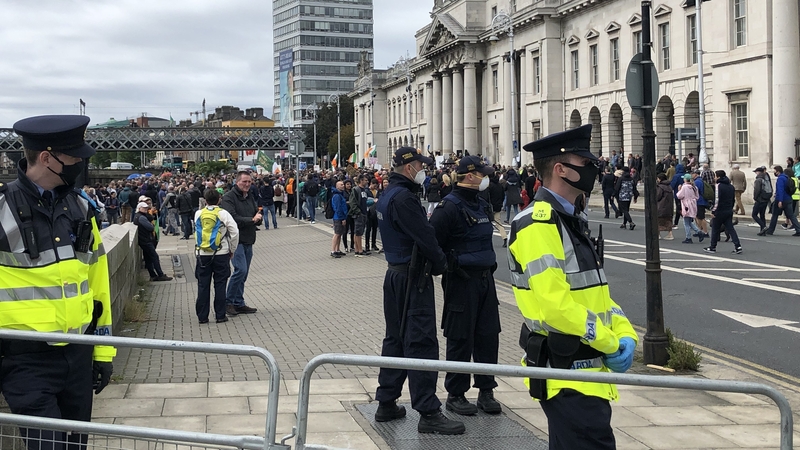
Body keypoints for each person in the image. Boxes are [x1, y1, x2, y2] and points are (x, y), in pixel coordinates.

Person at [510, 124, 638, 450]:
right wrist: (610, 342)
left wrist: (625, 333)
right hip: (567, 374)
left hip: (585, 374)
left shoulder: (570, 218)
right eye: (585, 164)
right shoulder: (537, 224)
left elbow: (596, 295)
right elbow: (555, 306)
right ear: (560, 169)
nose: (594, 170)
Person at [0, 115, 116, 450]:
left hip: (79, 357)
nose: (80, 163)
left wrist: (104, 352)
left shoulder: (81, 207)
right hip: (25, 361)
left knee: (76, 446)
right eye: (74, 157)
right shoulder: (3, 209)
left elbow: (98, 284)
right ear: (47, 158)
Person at [374, 147, 464, 435]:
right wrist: (441, 264)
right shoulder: (405, 199)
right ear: (409, 167)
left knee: (396, 340)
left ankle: (387, 402)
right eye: (420, 165)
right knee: (421, 341)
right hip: (414, 278)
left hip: (395, 275)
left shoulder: (387, 194)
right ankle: (428, 411)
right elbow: (426, 238)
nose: (424, 169)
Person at [429, 156, 502, 417]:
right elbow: (432, 242)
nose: (486, 178)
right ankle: (456, 394)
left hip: (485, 279)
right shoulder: (448, 207)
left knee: (488, 335)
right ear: (469, 176)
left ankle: (486, 390)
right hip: (461, 281)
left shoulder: (481, 204)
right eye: (482, 174)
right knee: (460, 337)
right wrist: (449, 265)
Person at [195, 189, 239, 324]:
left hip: (203, 253)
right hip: (221, 252)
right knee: (220, 284)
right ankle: (220, 315)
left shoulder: (198, 213)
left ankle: (202, 316)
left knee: (203, 285)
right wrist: (232, 249)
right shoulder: (223, 213)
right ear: (219, 199)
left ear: (205, 200)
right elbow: (234, 231)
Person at [221, 171, 261, 316]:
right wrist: (251, 220)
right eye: (244, 181)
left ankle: (239, 302)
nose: (247, 184)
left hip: (249, 238)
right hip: (235, 240)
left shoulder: (249, 196)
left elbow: (255, 212)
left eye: (249, 182)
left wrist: (258, 218)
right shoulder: (228, 198)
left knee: (244, 274)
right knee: (240, 270)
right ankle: (228, 302)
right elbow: (232, 219)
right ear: (237, 182)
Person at [704, 170, 743, 254]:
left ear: (718, 177)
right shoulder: (731, 187)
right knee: (731, 229)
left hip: (719, 211)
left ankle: (712, 247)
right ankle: (738, 246)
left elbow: (717, 200)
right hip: (728, 210)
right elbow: (733, 200)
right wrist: (731, 208)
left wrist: (713, 211)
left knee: (715, 229)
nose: (714, 178)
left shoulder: (718, 186)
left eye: (715, 176)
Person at [134, 202, 173, 281]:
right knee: (154, 257)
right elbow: (151, 227)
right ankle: (160, 275)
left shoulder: (138, 216)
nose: (145, 209)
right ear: (139, 208)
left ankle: (153, 275)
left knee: (148, 258)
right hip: (146, 240)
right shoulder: (141, 217)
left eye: (146, 208)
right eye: (143, 208)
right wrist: (151, 225)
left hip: (142, 240)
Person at [759, 165, 800, 236]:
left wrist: (780, 200)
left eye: (774, 171)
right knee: (791, 215)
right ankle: (798, 229)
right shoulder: (787, 177)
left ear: (778, 171)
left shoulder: (780, 179)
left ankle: (770, 230)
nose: (774, 172)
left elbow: (780, 190)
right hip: (788, 199)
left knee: (774, 215)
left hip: (781, 199)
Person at [676, 174, 707, 244]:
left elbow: (679, 196)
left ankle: (688, 237)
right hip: (693, 204)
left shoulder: (684, 187)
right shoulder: (694, 187)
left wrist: (679, 190)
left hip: (686, 205)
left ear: (685, 180)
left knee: (686, 223)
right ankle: (699, 232)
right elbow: (697, 197)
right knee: (689, 222)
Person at [349, 174, 370, 257]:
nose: (367, 182)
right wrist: (358, 212)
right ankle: (360, 249)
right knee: (358, 232)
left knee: (358, 232)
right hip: (359, 214)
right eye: (365, 180)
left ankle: (357, 249)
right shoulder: (356, 189)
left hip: (364, 212)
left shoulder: (364, 190)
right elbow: (352, 202)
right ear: (361, 181)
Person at [330, 180, 348, 258]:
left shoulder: (340, 195)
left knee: (340, 234)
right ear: (337, 186)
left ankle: (337, 249)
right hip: (338, 217)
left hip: (340, 216)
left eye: (343, 184)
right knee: (337, 234)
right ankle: (333, 250)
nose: (343, 186)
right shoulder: (337, 196)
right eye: (341, 185)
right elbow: (338, 208)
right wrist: (342, 218)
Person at [752, 166, 772, 232]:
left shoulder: (758, 180)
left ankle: (763, 226)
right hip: (766, 199)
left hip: (760, 199)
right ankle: (762, 230)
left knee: (754, 214)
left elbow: (757, 190)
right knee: (762, 215)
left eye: (756, 172)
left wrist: (755, 198)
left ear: (759, 172)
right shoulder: (766, 179)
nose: (755, 173)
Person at [656, 173, 674, 240]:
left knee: (658, 221)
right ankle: (670, 234)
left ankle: (658, 235)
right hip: (669, 207)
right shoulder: (669, 186)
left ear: (660, 179)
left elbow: (658, 196)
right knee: (668, 220)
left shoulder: (660, 187)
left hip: (661, 206)